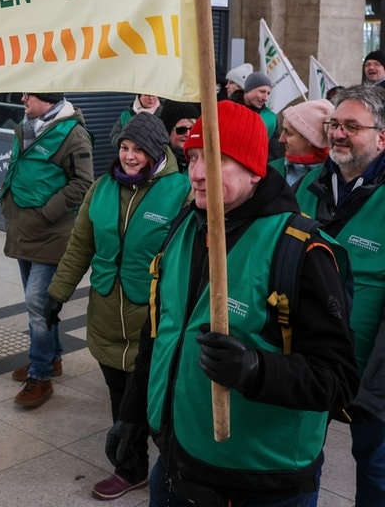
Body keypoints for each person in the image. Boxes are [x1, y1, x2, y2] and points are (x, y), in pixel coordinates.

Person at [107, 100, 358, 506]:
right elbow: (159, 331)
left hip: (258, 484)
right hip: (175, 464)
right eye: (191, 158)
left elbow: (339, 380)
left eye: (217, 159)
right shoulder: (185, 227)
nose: (198, 174)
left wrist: (257, 369)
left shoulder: (300, 251)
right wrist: (134, 415)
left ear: (256, 168)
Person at [47, 113, 191, 500]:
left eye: (139, 149)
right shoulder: (101, 189)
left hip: (155, 319)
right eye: (125, 148)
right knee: (118, 394)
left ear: (156, 151)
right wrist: (57, 293)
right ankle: (130, 469)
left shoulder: (181, 190)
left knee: (157, 400)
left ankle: (176, 472)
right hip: (107, 311)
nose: (129, 156)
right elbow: (81, 246)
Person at [294, 84, 385, 505]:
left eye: (352, 126)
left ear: (382, 137)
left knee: (376, 470)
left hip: (374, 374)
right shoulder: (310, 185)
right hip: (310, 359)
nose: (338, 134)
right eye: (334, 124)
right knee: (298, 459)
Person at [1, 91, 93, 408]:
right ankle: (51, 357)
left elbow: (83, 182)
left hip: (51, 232)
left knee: (36, 305)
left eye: (30, 95)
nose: (23, 99)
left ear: (49, 100)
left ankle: (40, 375)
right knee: (41, 304)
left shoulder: (73, 132)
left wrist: (47, 213)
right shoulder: (28, 125)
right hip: (25, 230)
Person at [269, 98, 332, 186]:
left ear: (310, 139)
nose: (281, 139)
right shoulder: (270, 170)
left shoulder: (334, 178)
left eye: (288, 133)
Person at [240, 70, 283, 161]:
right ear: (249, 89)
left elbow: (274, 152)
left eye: (268, 93)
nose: (265, 98)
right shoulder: (228, 109)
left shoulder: (271, 118)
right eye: (262, 91)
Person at [158, 100, 201, 173]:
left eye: (192, 129)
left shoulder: (206, 161)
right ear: (167, 131)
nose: (188, 134)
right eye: (181, 130)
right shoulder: (158, 164)